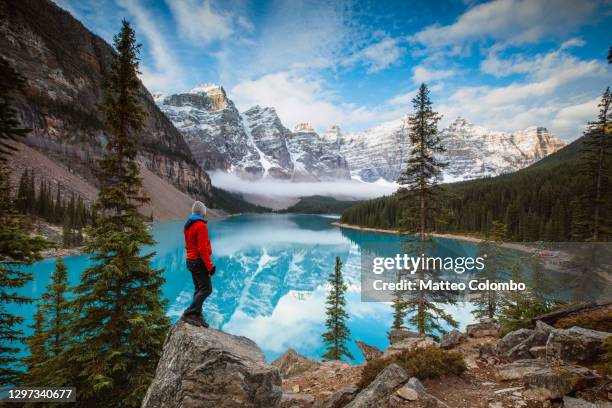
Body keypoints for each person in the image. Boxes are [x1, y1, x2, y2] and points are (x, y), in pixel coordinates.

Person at [181, 201, 215, 327]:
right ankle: (189, 313)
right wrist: (210, 267)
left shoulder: (188, 225)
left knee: (199, 288)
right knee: (206, 289)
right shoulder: (201, 226)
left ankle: (197, 315)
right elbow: (202, 249)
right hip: (198, 261)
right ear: (203, 213)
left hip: (190, 260)